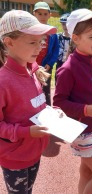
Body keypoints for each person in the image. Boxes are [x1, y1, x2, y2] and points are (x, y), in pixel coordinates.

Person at [53, 8, 92, 194]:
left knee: (87, 172)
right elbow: (59, 103)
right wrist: (86, 110)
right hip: (82, 131)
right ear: (76, 38)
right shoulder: (68, 69)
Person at [0, 10, 57, 194]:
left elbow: (36, 105)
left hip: (34, 151)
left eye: (41, 41)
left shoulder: (34, 70)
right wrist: (26, 132)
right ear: (9, 42)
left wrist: (52, 111)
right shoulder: (3, 82)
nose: (39, 47)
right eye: (32, 42)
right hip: (15, 157)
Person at [33, 1, 59, 106]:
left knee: (45, 88)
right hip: (32, 66)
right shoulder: (31, 30)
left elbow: (56, 50)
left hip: (46, 66)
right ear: (34, 14)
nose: (42, 17)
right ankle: (33, 108)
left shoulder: (52, 33)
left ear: (49, 15)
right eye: (39, 14)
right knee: (32, 87)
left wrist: (50, 63)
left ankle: (47, 107)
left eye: (45, 14)